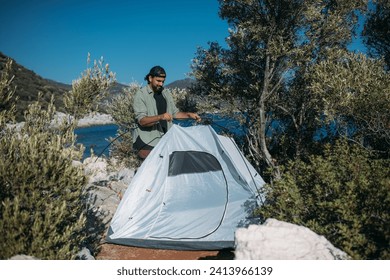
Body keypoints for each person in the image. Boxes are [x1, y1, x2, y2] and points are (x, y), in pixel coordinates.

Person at [132, 66, 201, 159]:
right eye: (158, 81)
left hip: (165, 139)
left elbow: (174, 113)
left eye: (163, 81)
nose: (161, 84)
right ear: (150, 78)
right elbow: (142, 121)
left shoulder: (166, 93)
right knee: (151, 171)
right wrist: (161, 117)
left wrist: (189, 115)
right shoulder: (141, 95)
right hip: (146, 142)